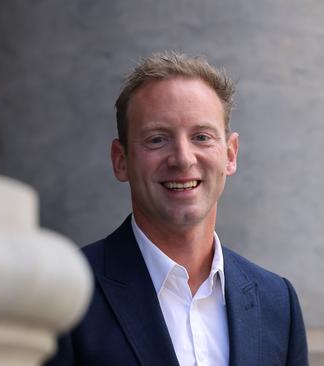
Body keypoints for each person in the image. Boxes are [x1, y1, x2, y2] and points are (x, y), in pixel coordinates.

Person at [44, 52, 308, 366]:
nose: (183, 158)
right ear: (120, 160)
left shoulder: (277, 303)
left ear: (230, 154)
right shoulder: (64, 293)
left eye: (201, 137)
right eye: (157, 139)